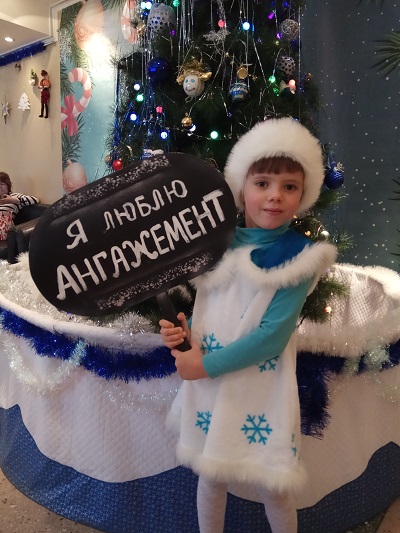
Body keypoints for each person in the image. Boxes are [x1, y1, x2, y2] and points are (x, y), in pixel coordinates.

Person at [159, 117, 337, 533]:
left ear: (303, 194)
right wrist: (185, 333)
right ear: (241, 189)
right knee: (211, 475)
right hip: (212, 386)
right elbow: (212, 309)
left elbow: (270, 337)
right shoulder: (216, 244)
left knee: (273, 485)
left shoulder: (298, 257)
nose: (275, 196)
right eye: (262, 183)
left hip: (260, 389)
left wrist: (202, 365)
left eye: (289, 186)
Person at [0, 172, 39, 240]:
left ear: (8, 185)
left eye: (2, 184)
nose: (0, 187)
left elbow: (35, 200)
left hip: (3, 227)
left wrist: (14, 200)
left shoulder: (14, 196)